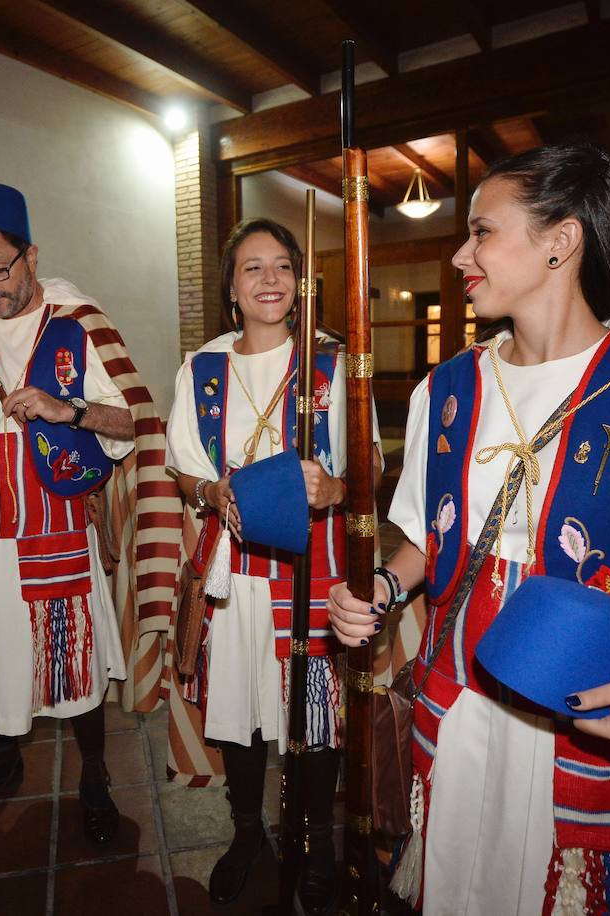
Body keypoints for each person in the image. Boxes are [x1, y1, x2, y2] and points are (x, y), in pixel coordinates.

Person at [328, 143, 610, 914]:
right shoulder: (447, 389)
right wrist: (380, 586)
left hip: (597, 715)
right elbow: (429, 542)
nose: (460, 254)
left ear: (560, 241)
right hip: (464, 706)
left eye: (481, 232)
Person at [0, 182, 160, 844]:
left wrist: (66, 408)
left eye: (1, 270)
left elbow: (133, 418)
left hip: (52, 524)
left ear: (32, 256)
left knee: (74, 667)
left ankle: (94, 778)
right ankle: (3, 762)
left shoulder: (74, 321)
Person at [166, 217, 380, 914]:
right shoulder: (201, 370)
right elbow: (183, 469)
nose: (268, 279)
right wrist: (209, 490)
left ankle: (315, 841)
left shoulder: (332, 365)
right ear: (231, 286)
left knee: (311, 718)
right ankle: (247, 833)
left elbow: (366, 469)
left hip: (309, 570)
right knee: (241, 714)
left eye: (282, 266)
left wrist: (337, 490)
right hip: (232, 569)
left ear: (301, 283)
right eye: (252, 267)